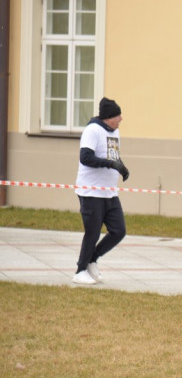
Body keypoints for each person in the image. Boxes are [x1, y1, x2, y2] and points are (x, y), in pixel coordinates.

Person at [73, 97, 130, 285]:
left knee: (119, 230)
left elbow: (112, 155)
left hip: (109, 192)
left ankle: (92, 259)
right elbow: (86, 157)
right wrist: (109, 164)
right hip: (91, 191)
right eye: (118, 115)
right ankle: (80, 270)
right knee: (93, 232)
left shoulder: (115, 132)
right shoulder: (92, 131)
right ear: (108, 117)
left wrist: (121, 167)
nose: (121, 119)